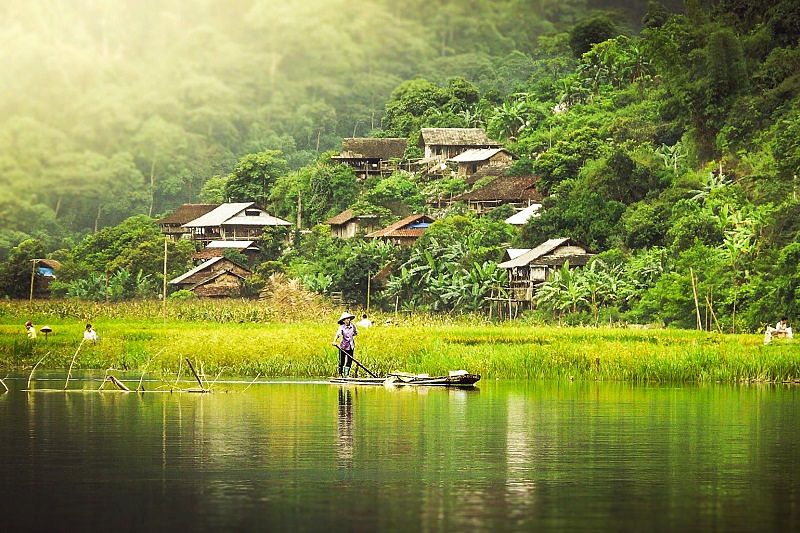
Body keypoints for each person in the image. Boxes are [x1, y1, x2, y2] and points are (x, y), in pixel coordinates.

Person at [333, 312, 357, 377]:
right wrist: (334, 341)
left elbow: (355, 333)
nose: (347, 320)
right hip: (343, 346)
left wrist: (352, 335)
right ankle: (340, 374)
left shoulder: (353, 326)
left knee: (349, 361)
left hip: (351, 346)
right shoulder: (342, 327)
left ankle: (346, 375)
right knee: (342, 361)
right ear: (343, 321)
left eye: (348, 319)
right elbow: (338, 334)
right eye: (345, 319)